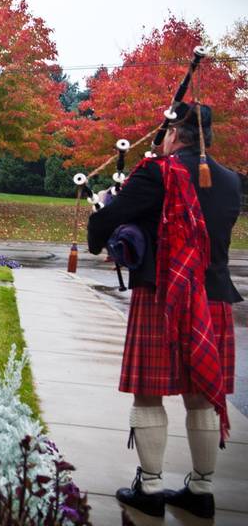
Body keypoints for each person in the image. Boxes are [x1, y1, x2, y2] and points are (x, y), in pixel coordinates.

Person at [87, 102, 241, 519]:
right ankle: (201, 488)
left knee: (149, 391)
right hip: (212, 296)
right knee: (202, 396)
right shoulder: (230, 181)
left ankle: (151, 487)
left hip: (162, 293)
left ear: (172, 133)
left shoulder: (157, 173)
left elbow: (105, 224)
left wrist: (101, 211)